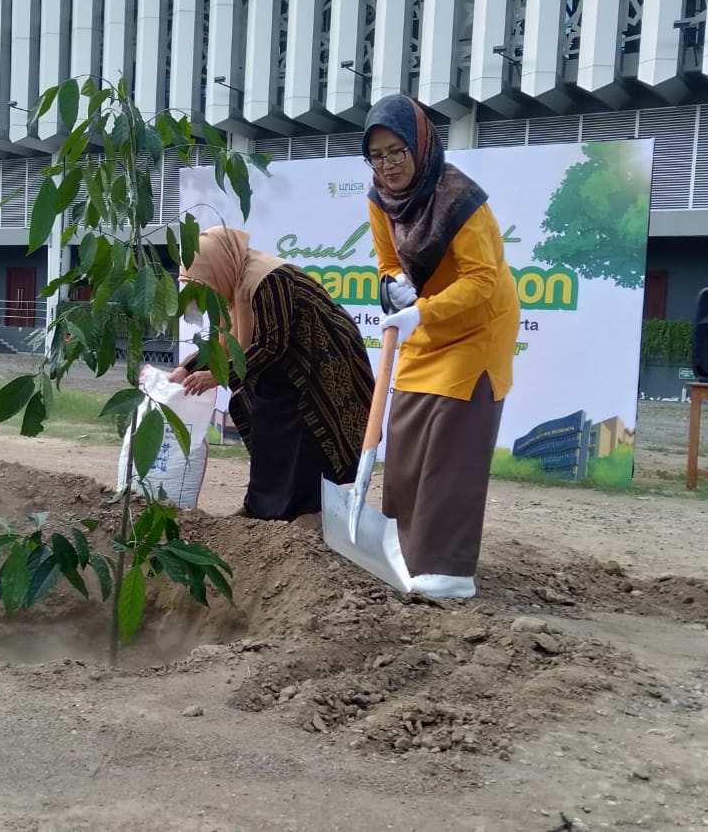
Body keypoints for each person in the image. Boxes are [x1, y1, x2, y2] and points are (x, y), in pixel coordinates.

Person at [363, 93, 520, 600]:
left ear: (420, 145)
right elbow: (387, 260)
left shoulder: (461, 200)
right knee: (406, 432)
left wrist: (421, 311)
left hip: (478, 328)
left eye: (396, 152)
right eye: (377, 155)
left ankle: (446, 568)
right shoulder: (380, 200)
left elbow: (481, 281)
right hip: (426, 324)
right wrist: (393, 286)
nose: (387, 166)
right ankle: (404, 552)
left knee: (451, 444)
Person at [171, 225, 375, 528]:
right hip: (287, 365)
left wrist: (215, 376)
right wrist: (186, 368)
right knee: (264, 417)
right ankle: (261, 507)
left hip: (322, 362)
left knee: (307, 429)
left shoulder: (267, 279)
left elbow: (270, 344)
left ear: (218, 268)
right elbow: (225, 342)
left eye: (203, 285)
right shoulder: (234, 287)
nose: (202, 295)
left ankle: (311, 512)